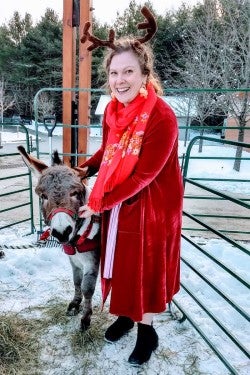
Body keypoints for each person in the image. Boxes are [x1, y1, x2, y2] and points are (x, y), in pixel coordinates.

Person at [78, 7, 183, 366]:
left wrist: (98, 203)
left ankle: (147, 331)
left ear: (144, 73)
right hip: (119, 198)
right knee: (120, 263)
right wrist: (85, 168)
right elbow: (109, 150)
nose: (120, 80)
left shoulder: (162, 117)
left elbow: (143, 176)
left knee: (143, 266)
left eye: (128, 72)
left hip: (151, 206)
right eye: (113, 73)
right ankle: (126, 315)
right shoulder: (111, 111)